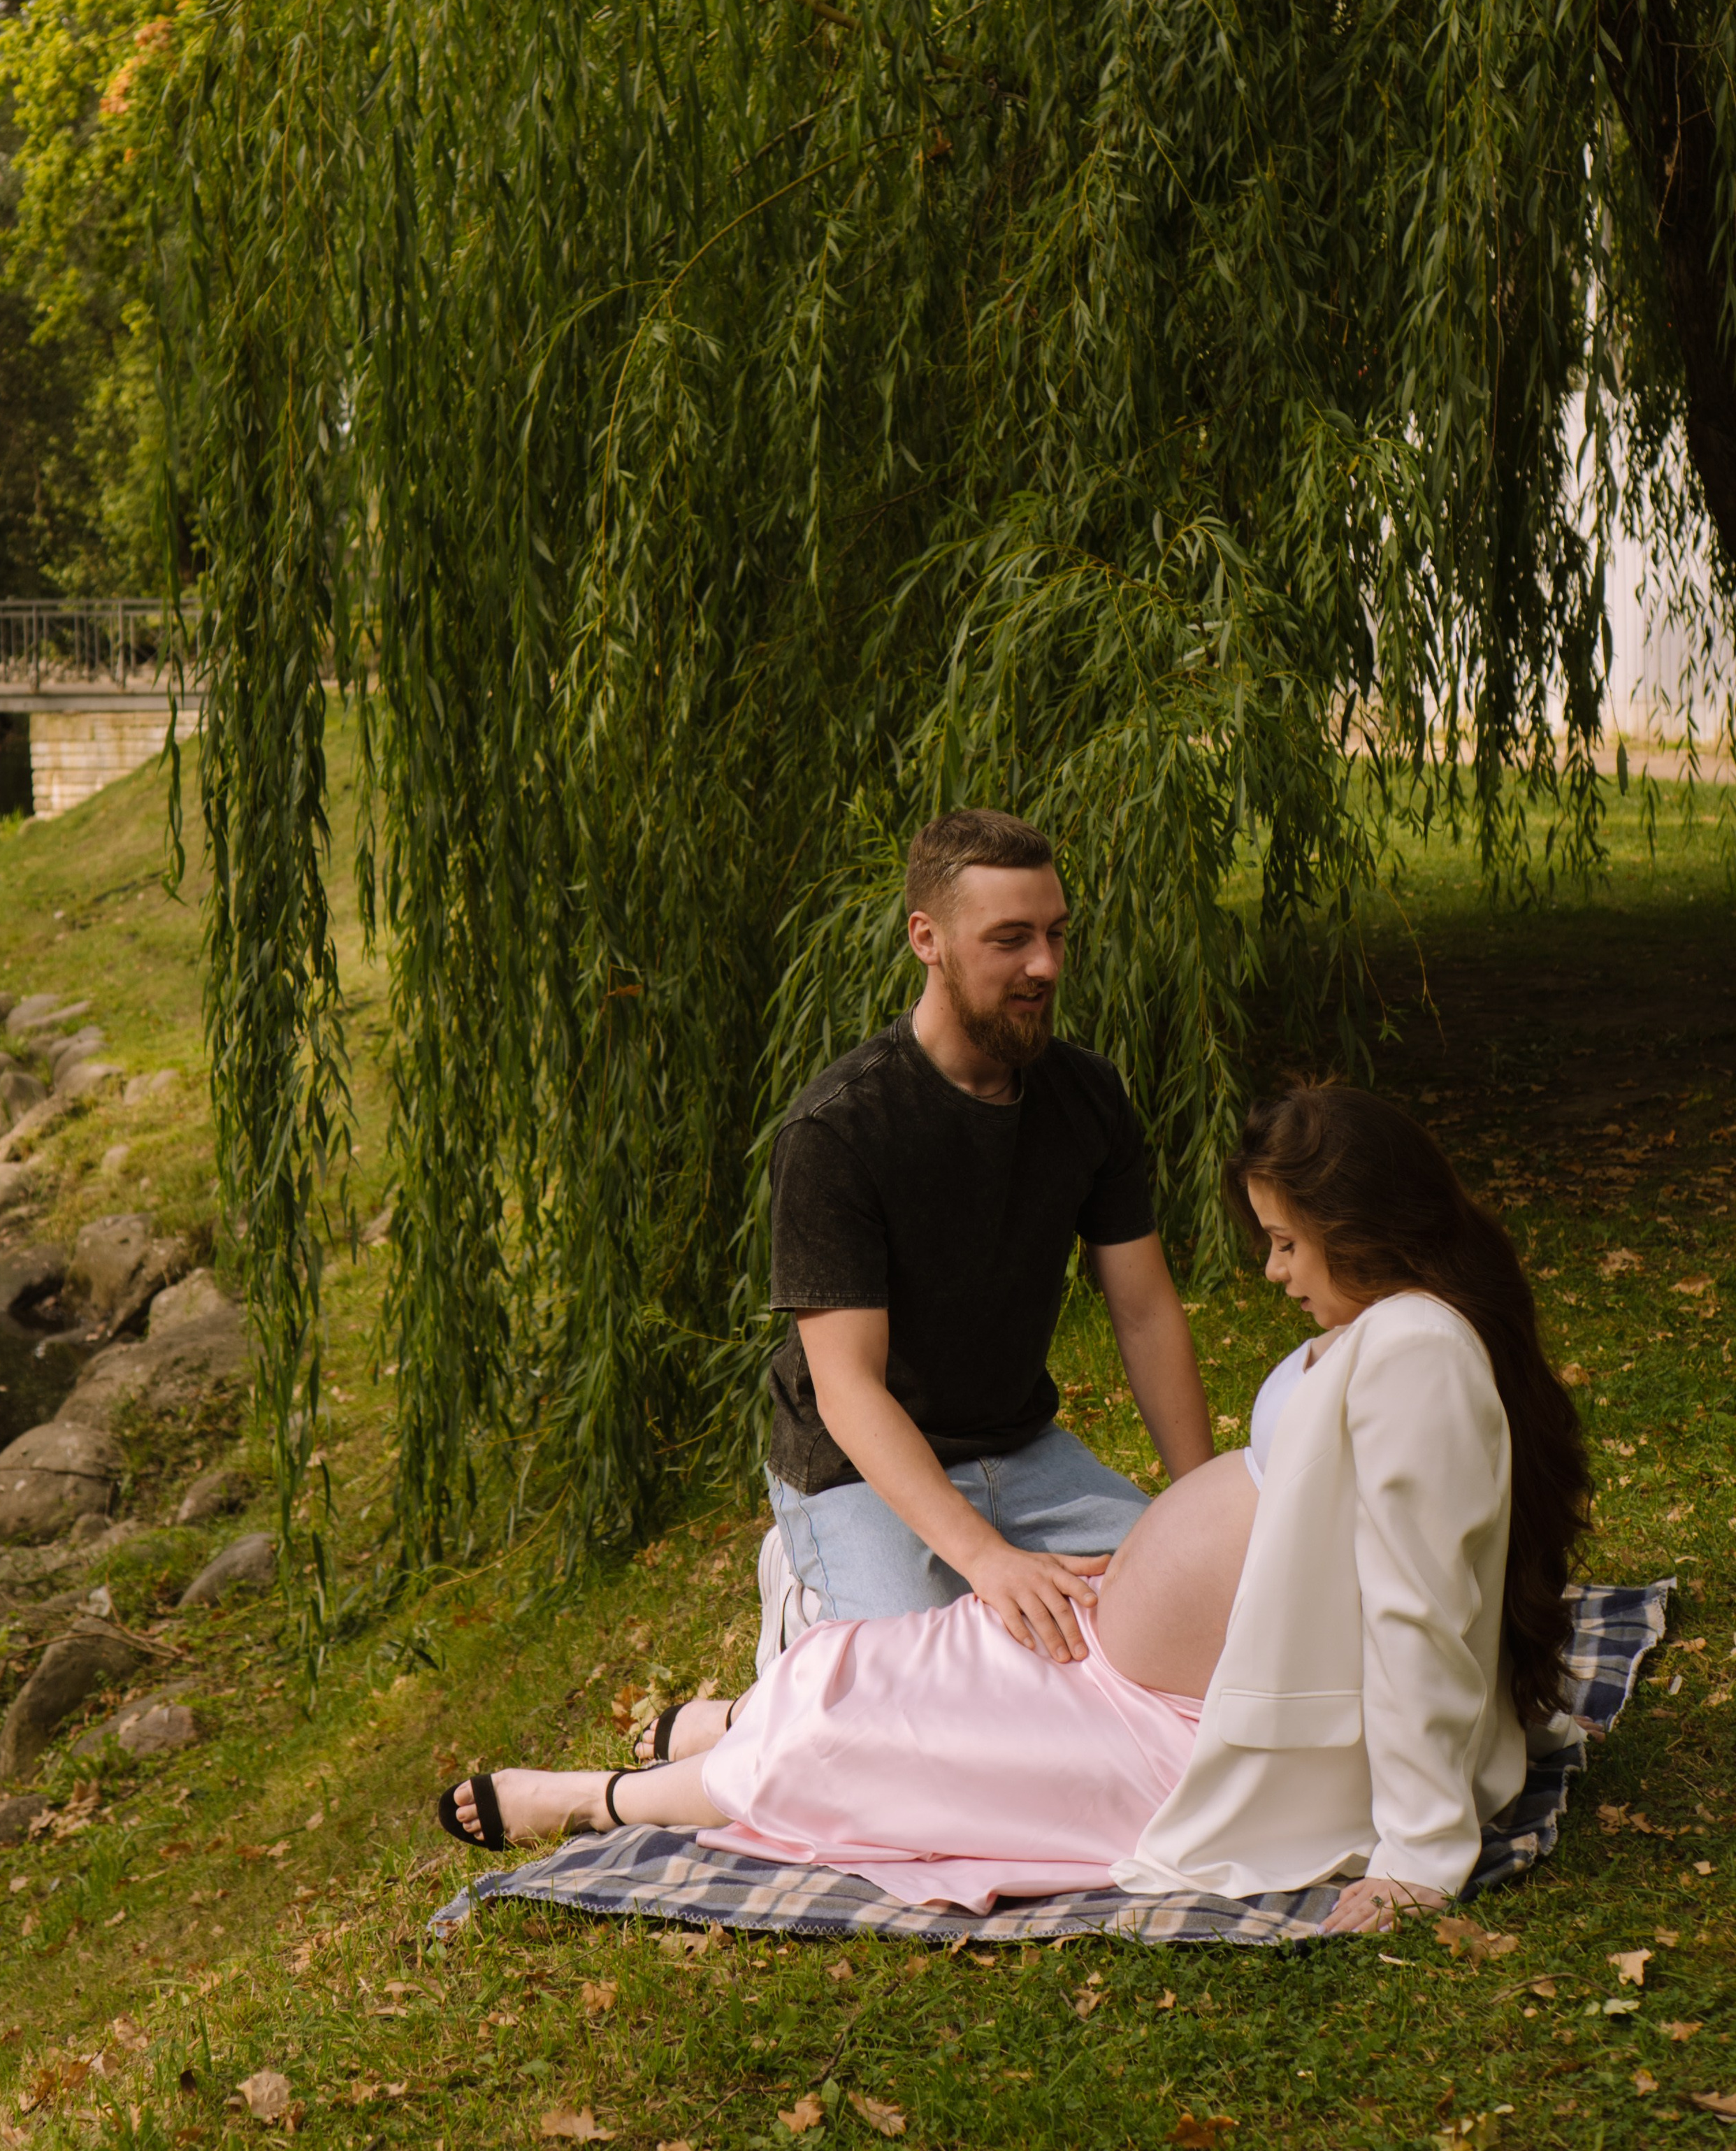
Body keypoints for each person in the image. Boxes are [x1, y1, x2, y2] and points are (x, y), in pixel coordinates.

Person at [440, 1083, 1591, 1932]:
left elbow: (1421, 1613)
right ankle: (733, 1727)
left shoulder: (1419, 1357)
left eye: (1289, 1243)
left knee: (864, 1746)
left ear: (1368, 1226)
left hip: (1186, 1741)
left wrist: (1419, 1855)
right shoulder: (1390, 1331)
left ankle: (599, 1801)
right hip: (1137, 1670)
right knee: (894, 1664)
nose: (1277, 1273)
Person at [757, 805, 1214, 1674]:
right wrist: (986, 1560)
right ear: (926, 938)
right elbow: (847, 1390)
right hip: (859, 1469)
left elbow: (1146, 1313)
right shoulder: (838, 1130)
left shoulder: (1087, 1097)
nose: (1044, 965)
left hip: (1021, 1449)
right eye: (1009, 939)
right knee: (941, 1685)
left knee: (1202, 1607)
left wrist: (1203, 1511)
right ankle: (804, 1602)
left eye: (1055, 934)